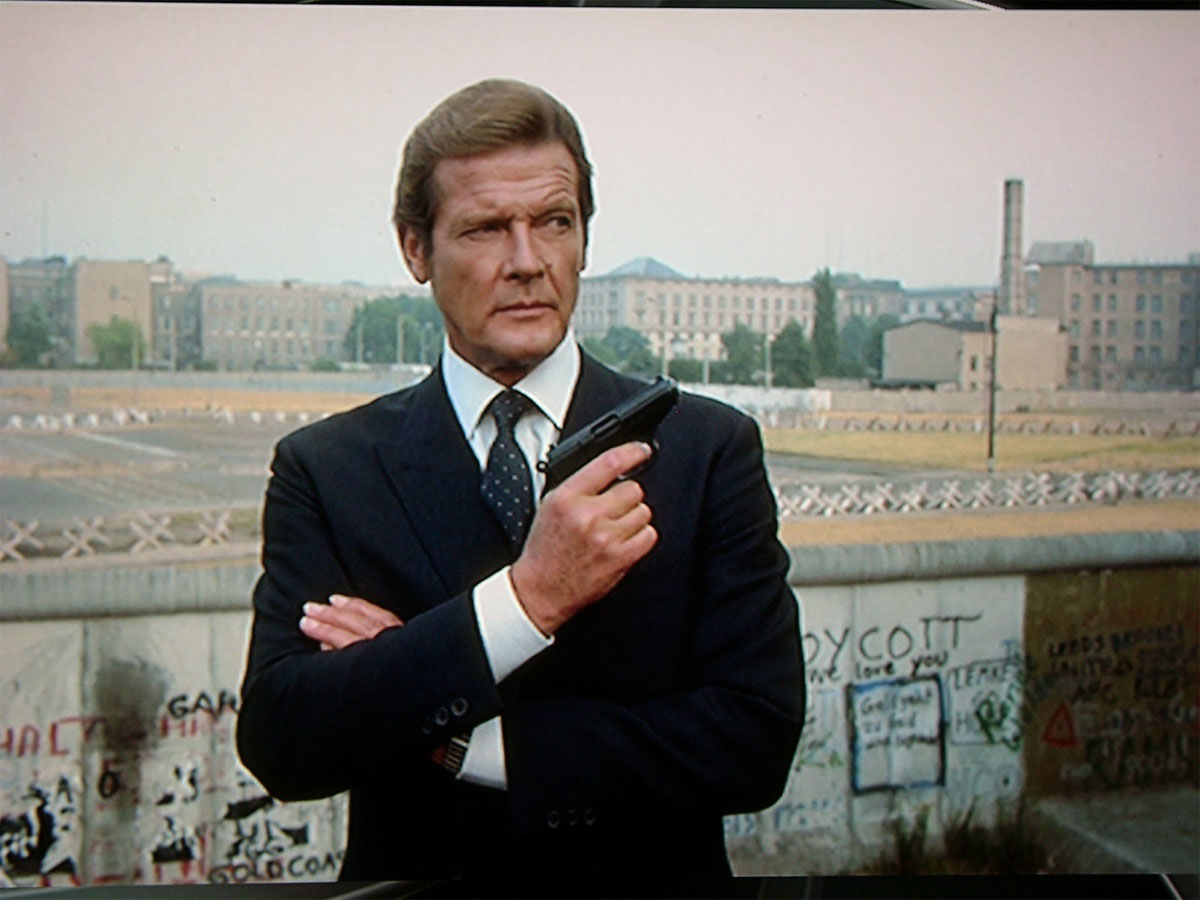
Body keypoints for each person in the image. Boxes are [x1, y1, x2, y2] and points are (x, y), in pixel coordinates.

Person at [236, 78, 805, 885]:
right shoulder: (327, 468)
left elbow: (755, 739)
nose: (529, 261)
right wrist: (526, 600)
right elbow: (283, 742)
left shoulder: (707, 449)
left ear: (585, 239)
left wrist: (465, 742)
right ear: (415, 249)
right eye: (485, 228)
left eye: (554, 222)